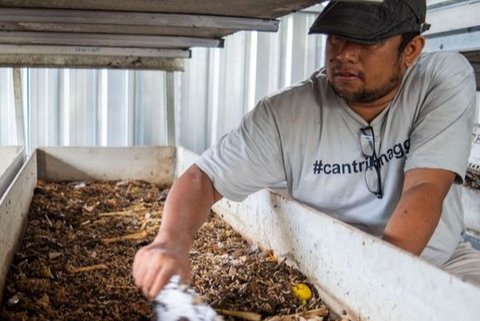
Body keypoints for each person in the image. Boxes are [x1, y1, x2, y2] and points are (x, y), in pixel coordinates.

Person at [133, 0, 480, 299]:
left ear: (411, 51)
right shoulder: (287, 114)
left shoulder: (440, 80)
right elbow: (203, 178)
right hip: (330, 277)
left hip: (441, 263)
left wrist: (379, 288)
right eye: (336, 36)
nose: (344, 53)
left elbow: (425, 187)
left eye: (366, 41)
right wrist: (170, 243)